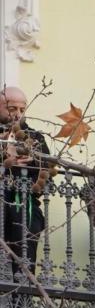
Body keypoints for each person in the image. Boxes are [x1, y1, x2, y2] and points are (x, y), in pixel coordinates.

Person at [0, 86, 50, 270]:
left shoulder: (35, 138)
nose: (17, 114)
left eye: (22, 110)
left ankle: (22, 297)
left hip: (24, 207)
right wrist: (5, 161)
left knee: (23, 262)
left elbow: (46, 177)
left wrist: (33, 167)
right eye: (11, 108)